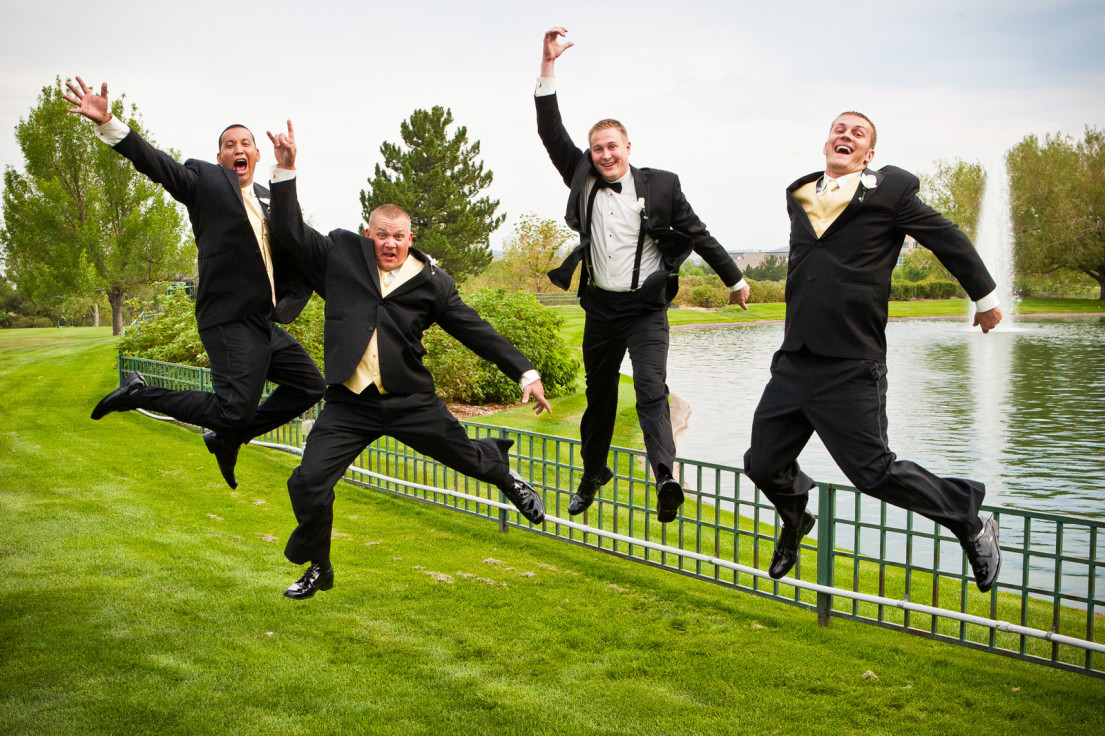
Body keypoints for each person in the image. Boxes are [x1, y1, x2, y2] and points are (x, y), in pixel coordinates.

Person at [265, 121, 552, 599]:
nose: (390, 244)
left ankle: (505, 474)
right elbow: (291, 231)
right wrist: (286, 169)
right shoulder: (340, 254)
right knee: (308, 482)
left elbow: (475, 330)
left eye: (398, 236)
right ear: (368, 233)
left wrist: (526, 372)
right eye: (382, 235)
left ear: (410, 236)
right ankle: (320, 566)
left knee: (468, 459)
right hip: (349, 403)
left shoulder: (433, 283)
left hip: (410, 402)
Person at [743, 111, 1003, 592]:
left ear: (869, 154)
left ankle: (969, 518)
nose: (845, 136)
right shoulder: (799, 193)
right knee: (761, 463)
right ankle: (797, 516)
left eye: (857, 134)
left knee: (874, 472)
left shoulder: (891, 191)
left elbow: (946, 238)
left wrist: (983, 297)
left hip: (851, 362)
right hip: (795, 359)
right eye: (839, 130)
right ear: (827, 143)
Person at [64, 78, 325, 490]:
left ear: (257, 154)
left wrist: (288, 171)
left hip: (262, 321)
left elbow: (306, 245)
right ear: (219, 156)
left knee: (310, 384)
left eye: (245, 144)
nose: (238, 149)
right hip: (227, 318)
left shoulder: (271, 198)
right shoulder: (205, 184)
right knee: (234, 409)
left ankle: (228, 436)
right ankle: (139, 394)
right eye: (229, 144)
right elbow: (156, 163)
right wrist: (110, 124)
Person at [536, 27, 751, 523]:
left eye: (612, 146)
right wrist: (548, 66)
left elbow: (697, 232)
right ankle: (593, 473)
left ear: (628, 146)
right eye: (597, 149)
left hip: (646, 309)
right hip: (602, 309)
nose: (604, 155)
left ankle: (665, 477)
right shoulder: (582, 177)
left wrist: (734, 279)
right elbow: (550, 132)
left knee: (653, 389)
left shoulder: (662, 185)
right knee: (601, 397)